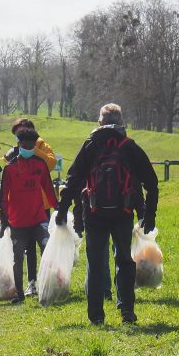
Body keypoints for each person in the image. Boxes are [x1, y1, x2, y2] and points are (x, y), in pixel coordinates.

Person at [56, 103, 159, 325]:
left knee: (95, 264)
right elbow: (151, 182)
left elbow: (73, 179)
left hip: (94, 213)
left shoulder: (91, 146)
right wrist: (149, 215)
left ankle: (96, 316)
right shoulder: (129, 146)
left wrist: (63, 209)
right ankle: (126, 311)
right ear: (122, 122)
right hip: (123, 212)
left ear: (99, 123)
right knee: (124, 261)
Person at [0, 127, 57, 305]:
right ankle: (20, 293)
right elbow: (4, 197)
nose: (29, 148)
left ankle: (46, 288)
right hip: (18, 222)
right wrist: (4, 220)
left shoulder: (40, 165)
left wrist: (59, 210)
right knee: (18, 257)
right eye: (25, 145)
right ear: (18, 144)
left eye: (31, 146)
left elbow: (48, 189)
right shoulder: (9, 169)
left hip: (39, 219)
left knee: (47, 249)